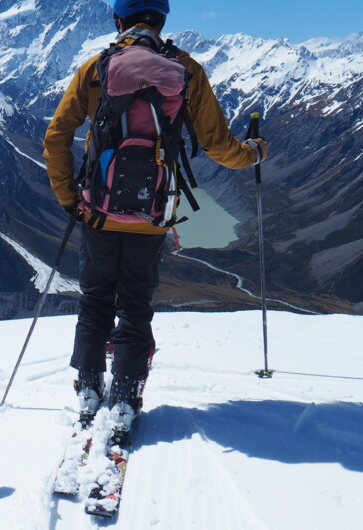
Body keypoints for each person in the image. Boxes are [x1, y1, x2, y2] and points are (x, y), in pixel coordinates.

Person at [42, 0, 268, 433]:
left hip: (99, 211)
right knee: (135, 305)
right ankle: (125, 395)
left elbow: (57, 135)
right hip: (153, 212)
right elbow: (220, 148)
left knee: (95, 301)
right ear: (162, 21)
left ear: (119, 20)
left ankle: (89, 386)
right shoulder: (186, 71)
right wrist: (255, 152)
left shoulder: (96, 68)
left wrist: (70, 198)